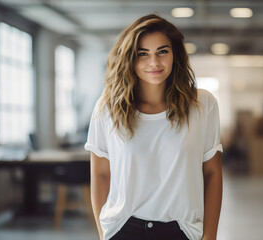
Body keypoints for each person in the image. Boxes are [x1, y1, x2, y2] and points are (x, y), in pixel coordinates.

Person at [85, 14, 223, 240]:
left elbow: (212, 173)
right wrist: (104, 235)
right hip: (124, 230)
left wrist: (210, 236)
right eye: (143, 54)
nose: (154, 62)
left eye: (162, 51)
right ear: (130, 58)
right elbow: (100, 174)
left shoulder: (203, 104)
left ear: (175, 54)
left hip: (183, 231)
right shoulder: (109, 107)